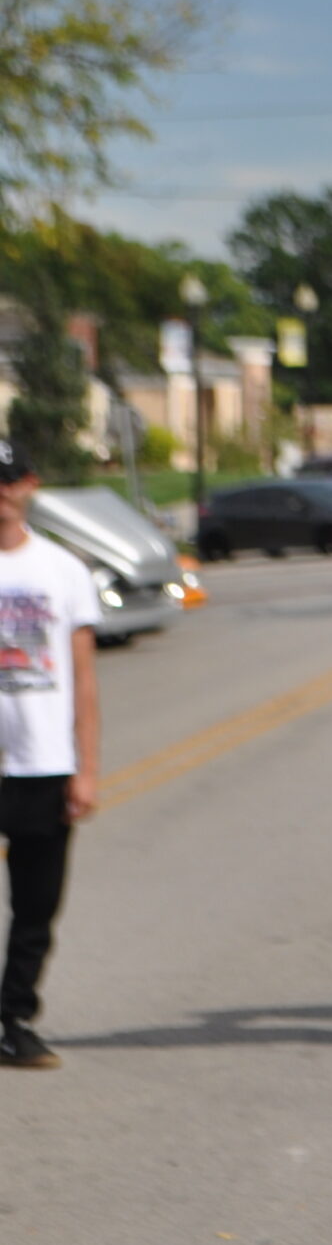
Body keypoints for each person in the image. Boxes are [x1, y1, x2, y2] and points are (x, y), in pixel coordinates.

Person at [0, 441, 99, 1070]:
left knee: (36, 906)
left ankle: (12, 1020)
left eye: (9, 479)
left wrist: (87, 768)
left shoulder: (63, 570)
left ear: (30, 484)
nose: (1, 492)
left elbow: (84, 682)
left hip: (43, 763)